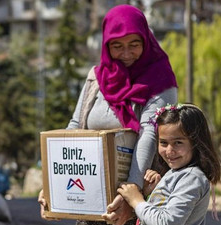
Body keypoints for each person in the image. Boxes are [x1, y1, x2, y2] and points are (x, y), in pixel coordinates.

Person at [38, 4, 178, 225]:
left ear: (145, 41)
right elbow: (76, 126)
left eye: (134, 44)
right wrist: (52, 182)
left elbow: (148, 136)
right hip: (92, 196)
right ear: (106, 45)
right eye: (117, 46)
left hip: (140, 198)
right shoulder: (97, 76)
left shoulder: (160, 79)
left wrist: (129, 196)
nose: (126, 53)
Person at [117, 103, 221, 225]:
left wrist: (136, 200)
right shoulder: (176, 173)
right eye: (163, 143)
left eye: (178, 142)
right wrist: (149, 194)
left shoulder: (192, 178)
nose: (169, 151)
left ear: (196, 143)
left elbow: (167, 222)